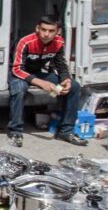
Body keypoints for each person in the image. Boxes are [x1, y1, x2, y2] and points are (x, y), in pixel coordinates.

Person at [8, 15, 87, 147]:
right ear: (37, 28)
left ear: (58, 32)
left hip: (38, 73)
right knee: (19, 89)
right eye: (43, 29)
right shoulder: (26, 42)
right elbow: (16, 69)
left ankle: (66, 131)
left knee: (74, 87)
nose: (46, 34)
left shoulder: (59, 42)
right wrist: (41, 83)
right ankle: (15, 132)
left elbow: (61, 65)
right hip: (19, 74)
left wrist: (66, 79)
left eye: (51, 31)